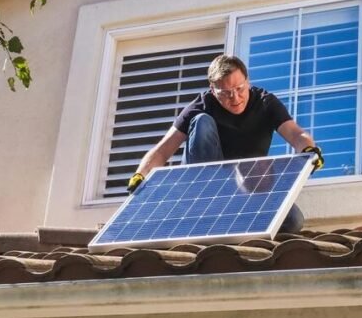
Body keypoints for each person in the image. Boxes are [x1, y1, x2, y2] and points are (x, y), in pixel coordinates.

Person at [126, 53, 324, 233]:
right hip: (206, 186)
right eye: (226, 93)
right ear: (213, 90)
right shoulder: (200, 106)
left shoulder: (265, 103)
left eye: (239, 89)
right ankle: (203, 204)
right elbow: (162, 151)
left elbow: (296, 134)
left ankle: (239, 224)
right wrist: (140, 175)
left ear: (248, 81)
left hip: (248, 188)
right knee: (202, 121)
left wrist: (308, 150)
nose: (235, 98)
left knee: (292, 220)